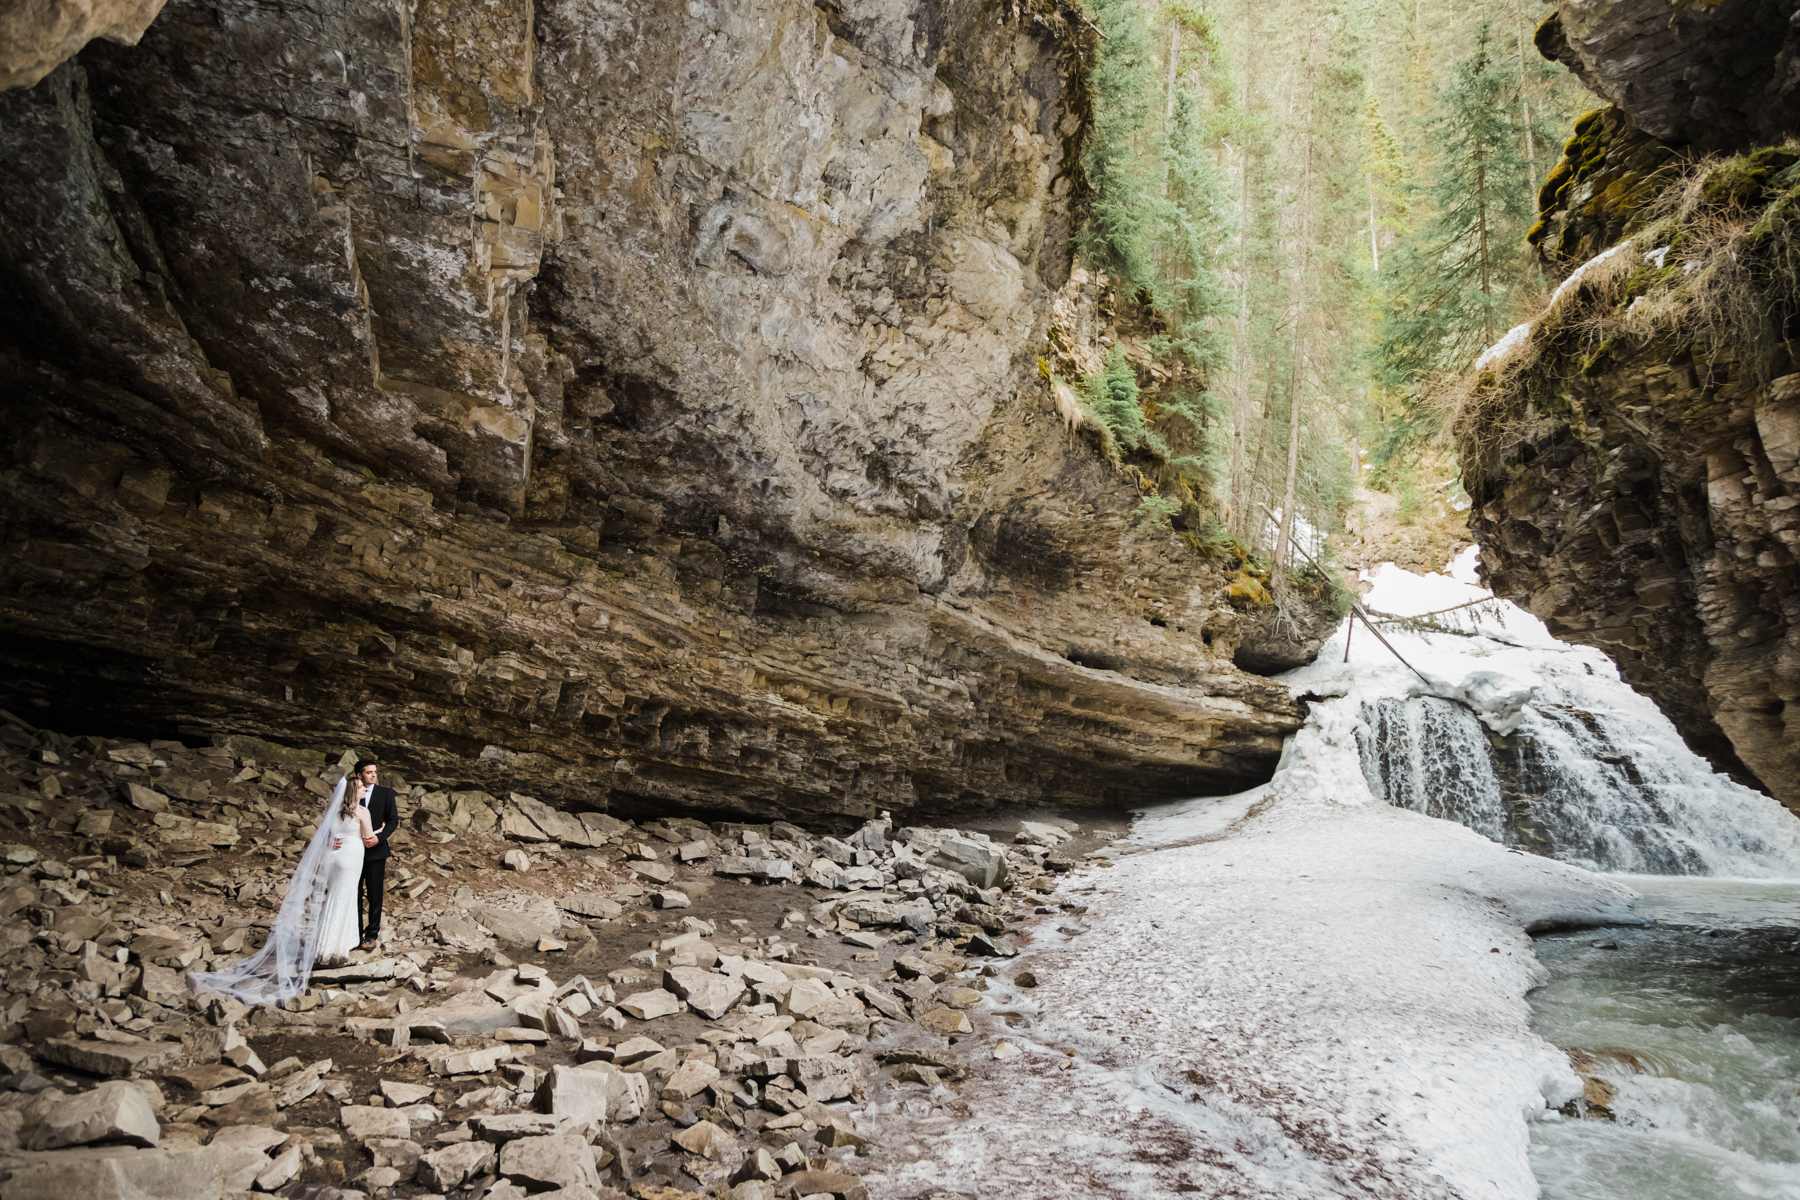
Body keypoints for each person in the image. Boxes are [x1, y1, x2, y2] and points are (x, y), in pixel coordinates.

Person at [189, 765, 378, 1005]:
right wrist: (379, 832)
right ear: (354, 791)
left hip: (334, 858)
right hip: (351, 857)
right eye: (362, 787)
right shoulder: (362, 812)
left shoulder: (336, 812)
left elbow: (327, 839)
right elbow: (369, 839)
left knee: (332, 898)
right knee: (345, 899)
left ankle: (322, 947)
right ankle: (335, 950)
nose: (365, 789)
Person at [351, 758, 399, 951]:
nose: (373, 775)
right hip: (353, 851)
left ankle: (371, 935)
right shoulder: (352, 792)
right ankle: (354, 933)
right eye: (369, 772)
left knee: (375, 894)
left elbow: (393, 820)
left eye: (375, 772)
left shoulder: (386, 793)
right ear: (359, 775)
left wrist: (380, 838)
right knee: (353, 893)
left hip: (376, 851)